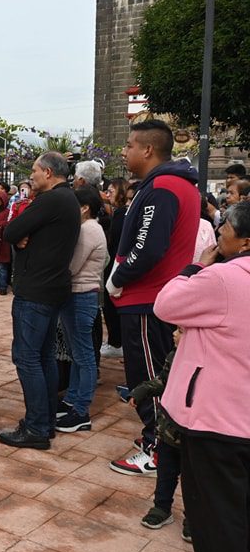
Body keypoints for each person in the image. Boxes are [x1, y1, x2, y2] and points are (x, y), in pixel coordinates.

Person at [107, 120, 200, 476]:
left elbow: (148, 248)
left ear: (147, 149)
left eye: (130, 145)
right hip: (154, 295)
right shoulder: (175, 185)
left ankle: (157, 447)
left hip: (147, 299)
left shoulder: (163, 188)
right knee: (158, 371)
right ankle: (159, 441)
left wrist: (118, 278)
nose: (125, 151)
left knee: (148, 376)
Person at [158, 201, 250, 552]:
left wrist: (194, 266)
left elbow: (166, 305)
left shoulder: (222, 277)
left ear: (243, 241)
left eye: (225, 228)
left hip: (217, 421)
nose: (219, 234)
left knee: (217, 521)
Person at [0, 152, 81, 449]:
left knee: (27, 358)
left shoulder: (51, 200)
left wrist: (22, 234)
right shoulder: (68, 199)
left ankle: (36, 427)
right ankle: (44, 422)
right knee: (43, 357)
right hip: (52, 288)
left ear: (47, 172)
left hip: (36, 291)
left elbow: (12, 230)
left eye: (34, 170)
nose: (31, 176)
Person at [55, 187, 109, 433]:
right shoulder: (90, 228)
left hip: (81, 296)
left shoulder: (89, 230)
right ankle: (72, 400)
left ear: (85, 207)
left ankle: (81, 410)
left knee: (84, 355)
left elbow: (72, 266)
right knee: (79, 353)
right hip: (78, 295)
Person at [130, 332, 188, 541]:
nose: (173, 334)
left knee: (194, 480)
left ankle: (193, 518)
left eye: (180, 331)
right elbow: (163, 380)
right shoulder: (174, 355)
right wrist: (143, 390)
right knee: (166, 474)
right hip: (168, 431)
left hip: (193, 435)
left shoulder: (208, 363)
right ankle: (161, 508)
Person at [100, 177, 129, 358]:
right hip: (113, 263)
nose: (108, 193)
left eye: (111, 190)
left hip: (115, 265)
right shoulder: (118, 213)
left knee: (111, 305)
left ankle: (116, 342)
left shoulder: (122, 214)